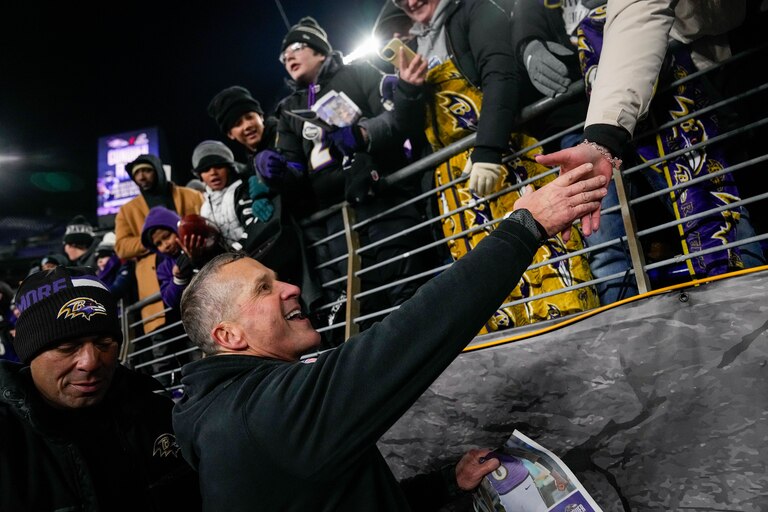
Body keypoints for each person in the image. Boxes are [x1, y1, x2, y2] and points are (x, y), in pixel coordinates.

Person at [172, 163, 607, 511]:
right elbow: (411, 333)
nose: (291, 288)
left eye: (278, 278)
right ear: (228, 335)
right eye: (264, 288)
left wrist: (442, 485)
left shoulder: (230, 413)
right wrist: (524, 228)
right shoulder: (265, 415)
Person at [535, 0, 763, 302]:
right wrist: (601, 141)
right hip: (624, 114)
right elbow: (639, 13)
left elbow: (648, 13)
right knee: (631, 241)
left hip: (695, 90)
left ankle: (751, 309)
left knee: (713, 208)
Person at [393, 0, 599, 327]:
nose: (411, 2)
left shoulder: (475, 10)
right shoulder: (412, 47)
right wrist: (406, 90)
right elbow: (404, 133)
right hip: (457, 189)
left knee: (544, 263)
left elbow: (501, 74)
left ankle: (579, 334)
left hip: (506, 160)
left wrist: (488, 152)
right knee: (488, 285)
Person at [264, 16, 434, 340]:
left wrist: (363, 133)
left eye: (296, 48)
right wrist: (274, 172)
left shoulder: (359, 73)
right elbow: (295, 173)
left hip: (382, 199)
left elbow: (400, 119)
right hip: (336, 221)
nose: (289, 58)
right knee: (362, 305)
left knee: (407, 289)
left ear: (319, 50)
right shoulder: (287, 110)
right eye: (283, 56)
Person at [0, 266, 201, 511]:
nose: (91, 362)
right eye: (67, 347)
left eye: (104, 343)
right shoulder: (9, 439)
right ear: (30, 354)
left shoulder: (153, 410)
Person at [114, 153, 203, 334]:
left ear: (158, 171)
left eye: (146, 170)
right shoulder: (127, 210)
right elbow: (121, 248)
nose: (141, 177)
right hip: (156, 282)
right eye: (136, 174)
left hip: (194, 268)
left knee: (201, 329)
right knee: (162, 340)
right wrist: (152, 240)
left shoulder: (191, 196)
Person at [95, 231, 136, 304]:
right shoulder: (97, 275)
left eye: (104, 255)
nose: (100, 261)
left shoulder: (126, 266)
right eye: (98, 257)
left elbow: (116, 289)